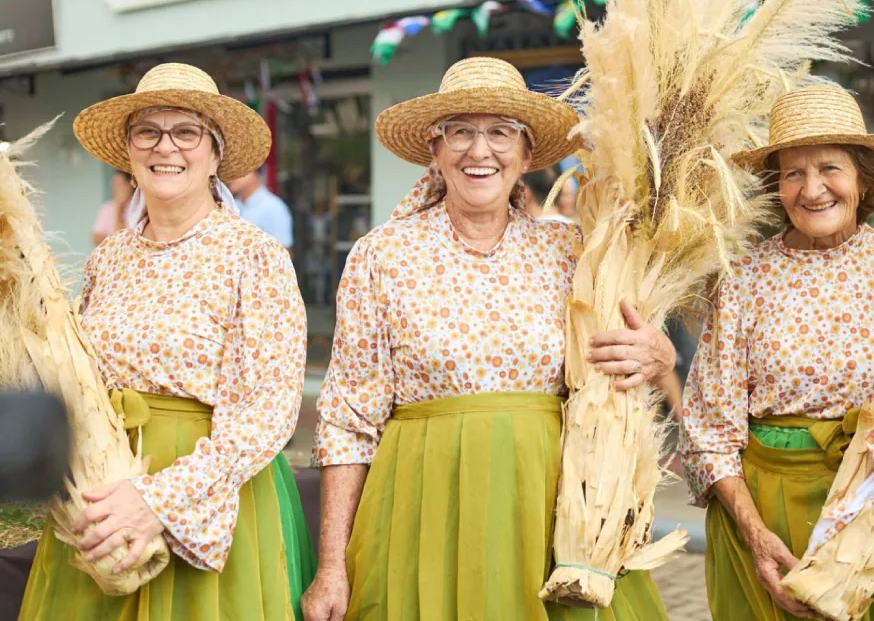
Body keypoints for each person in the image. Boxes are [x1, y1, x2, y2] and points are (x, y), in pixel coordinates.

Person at [302, 57, 676, 621]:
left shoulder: (572, 252)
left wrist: (659, 354)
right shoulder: (382, 255)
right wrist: (331, 565)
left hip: (551, 506)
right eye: (461, 132)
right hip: (423, 504)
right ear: (436, 149)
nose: (480, 151)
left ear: (526, 155)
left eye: (500, 132)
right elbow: (347, 421)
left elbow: (631, 351)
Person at [18, 63, 316, 621]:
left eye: (186, 131)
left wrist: (158, 501)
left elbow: (269, 409)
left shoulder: (255, 255)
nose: (166, 147)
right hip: (104, 484)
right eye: (147, 132)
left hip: (207, 492)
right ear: (128, 152)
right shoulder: (109, 257)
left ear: (214, 152)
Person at [679, 86, 874, 620]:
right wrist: (755, 535)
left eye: (830, 168)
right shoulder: (745, 276)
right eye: (793, 173)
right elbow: (709, 430)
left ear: (864, 176)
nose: (812, 188)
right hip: (771, 513)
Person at [228, 168, 295, 251]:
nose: (229, 176)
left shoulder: (274, 207)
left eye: (236, 171)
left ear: (253, 173)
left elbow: (284, 253)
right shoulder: (230, 205)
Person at [91, 171, 134, 246]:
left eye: (119, 184)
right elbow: (95, 237)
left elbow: (126, 240)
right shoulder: (107, 207)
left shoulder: (137, 207)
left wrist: (118, 207)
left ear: (129, 186)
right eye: (113, 184)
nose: (115, 188)